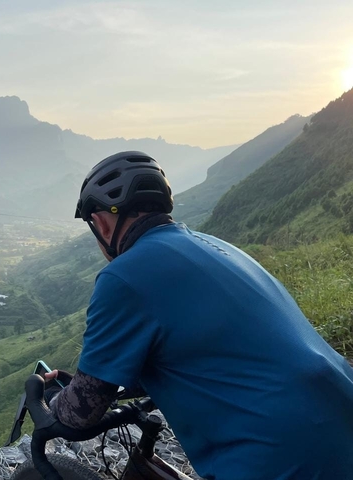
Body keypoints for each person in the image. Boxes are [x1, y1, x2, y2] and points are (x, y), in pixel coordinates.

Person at [45, 151, 353, 480]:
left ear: (102, 222)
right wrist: (94, 381)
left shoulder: (124, 277)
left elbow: (78, 415)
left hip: (280, 457)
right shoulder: (216, 247)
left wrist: (53, 398)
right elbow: (203, 350)